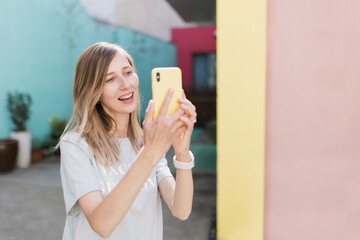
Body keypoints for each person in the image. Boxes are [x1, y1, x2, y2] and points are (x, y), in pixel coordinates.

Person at [58, 42, 197, 239]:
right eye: (110, 79)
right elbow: (102, 224)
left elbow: (181, 210)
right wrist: (150, 153)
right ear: (93, 91)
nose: (125, 85)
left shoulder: (145, 142)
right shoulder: (76, 145)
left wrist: (182, 153)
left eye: (128, 72)